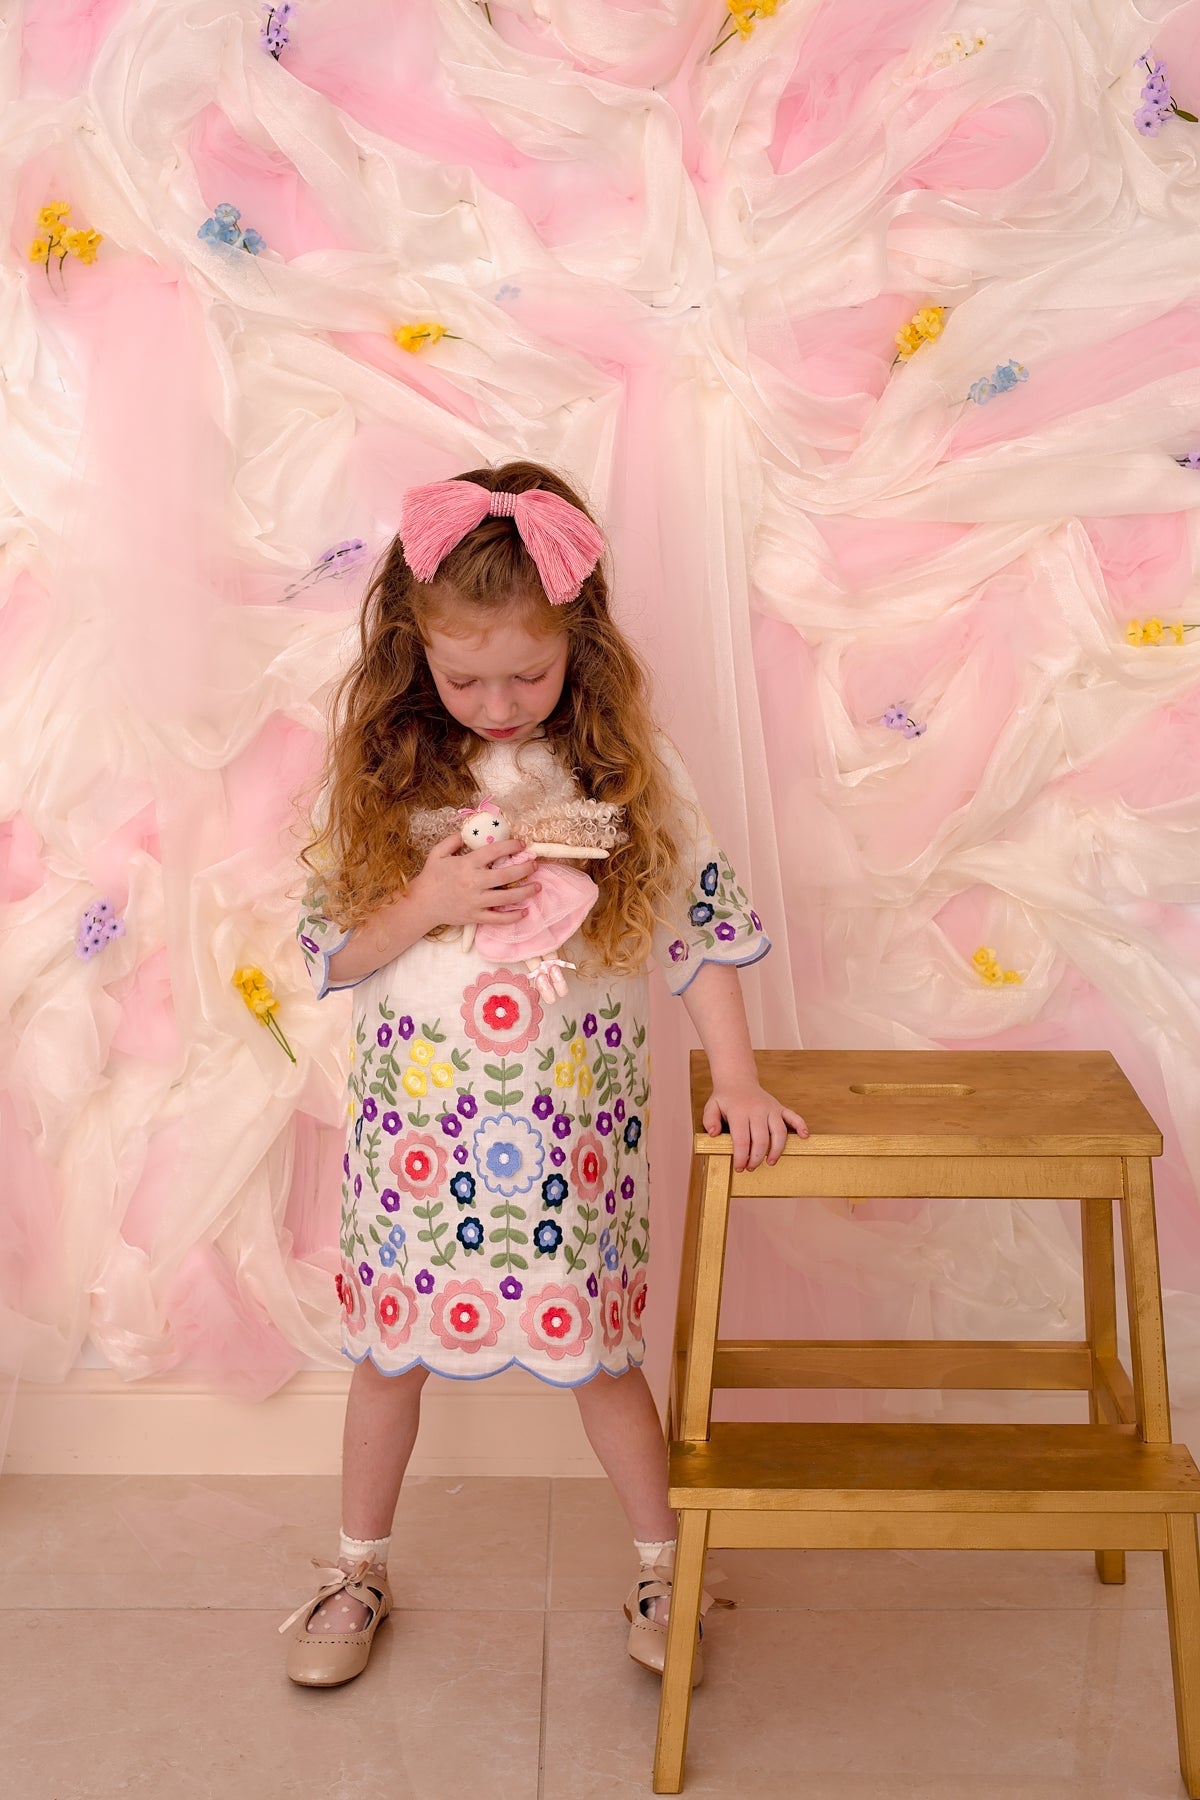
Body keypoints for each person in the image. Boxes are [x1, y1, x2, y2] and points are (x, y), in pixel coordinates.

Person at [279, 460, 808, 1688]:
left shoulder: (626, 769)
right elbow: (334, 953)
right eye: (465, 678)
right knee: (389, 1355)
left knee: (603, 1355)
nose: (499, 703)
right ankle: (356, 1566)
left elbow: (695, 927)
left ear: (581, 641)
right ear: (414, 651)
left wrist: (736, 1076)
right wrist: (427, 900)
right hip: (420, 1131)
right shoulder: (386, 773)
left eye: (530, 672)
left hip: (572, 1131)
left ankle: (664, 1565)